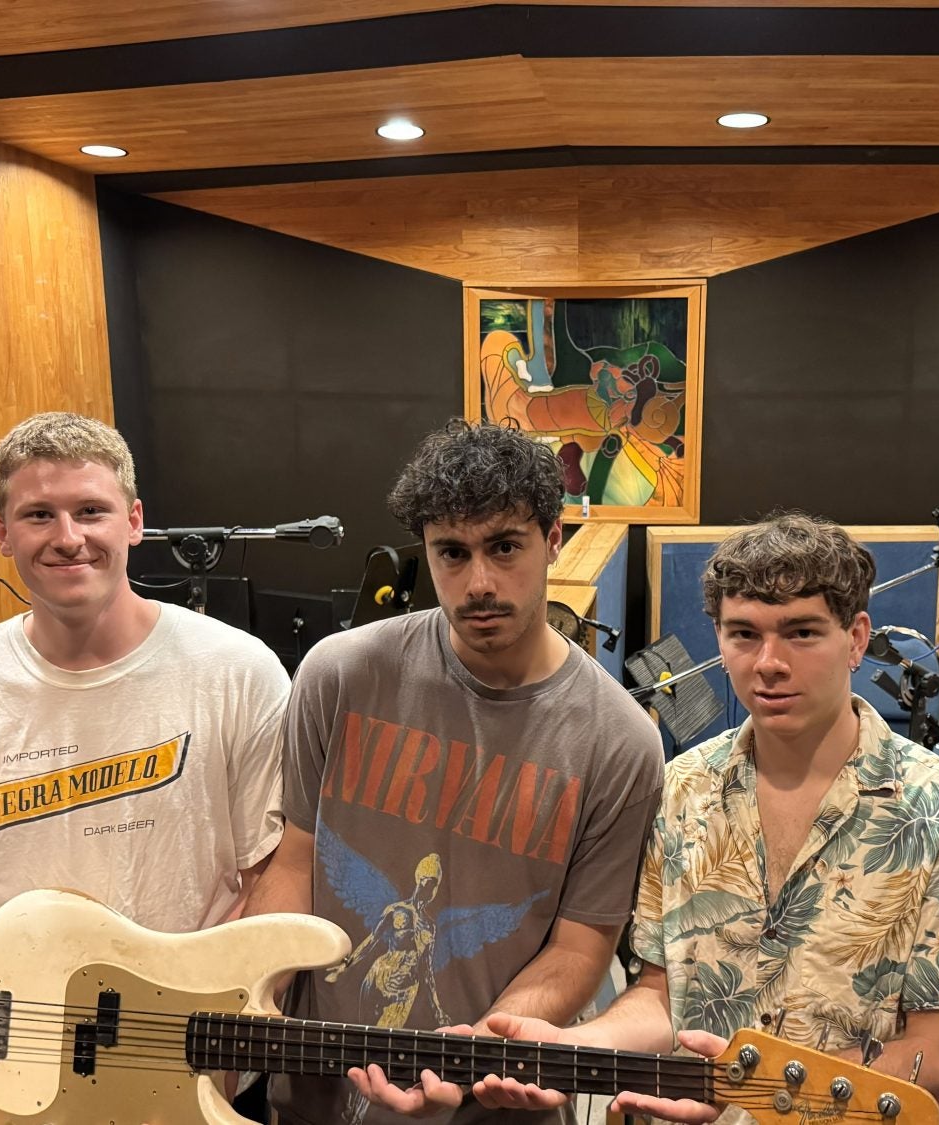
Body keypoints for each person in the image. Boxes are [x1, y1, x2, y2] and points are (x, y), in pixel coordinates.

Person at [452, 513, 939, 1120]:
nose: (769, 663)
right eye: (744, 635)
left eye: (802, 633)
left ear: (857, 638)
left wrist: (749, 1090)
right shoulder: (680, 790)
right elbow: (663, 995)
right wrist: (574, 1046)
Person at [244, 419, 665, 1125]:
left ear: (553, 539)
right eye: (452, 553)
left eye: (505, 547)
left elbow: (579, 946)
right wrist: (250, 993)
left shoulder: (619, 740)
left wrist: (475, 1054)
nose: (480, 583)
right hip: (315, 1098)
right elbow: (297, 862)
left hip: (489, 1108)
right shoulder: (340, 674)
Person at [0, 413, 290, 1073]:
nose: (68, 538)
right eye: (39, 515)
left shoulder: (237, 670)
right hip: (27, 1064)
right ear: (2, 533)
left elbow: (267, 875)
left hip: (190, 1058)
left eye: (91, 511)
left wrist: (186, 1020)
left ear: (134, 521)